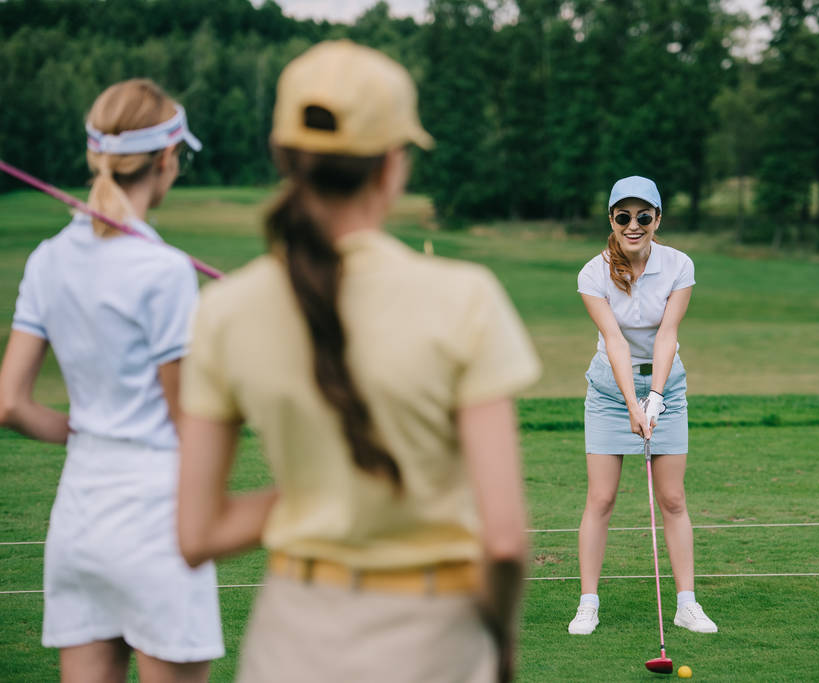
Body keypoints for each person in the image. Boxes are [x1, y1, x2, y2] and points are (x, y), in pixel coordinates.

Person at [175, 41, 541, 683]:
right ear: (392, 166)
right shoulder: (466, 298)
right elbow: (505, 541)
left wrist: (318, 494)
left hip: (290, 639)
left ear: (284, 157)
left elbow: (197, 534)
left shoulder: (223, 311)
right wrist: (502, 647)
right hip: (433, 638)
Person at [0, 79, 222, 680]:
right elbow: (189, 419)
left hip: (80, 519)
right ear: (167, 159)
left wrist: (91, 433)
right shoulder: (167, 271)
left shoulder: (47, 259)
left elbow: (10, 404)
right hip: (156, 519)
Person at [568, 175, 717, 636]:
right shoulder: (593, 274)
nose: (634, 225)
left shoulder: (678, 265)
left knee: (672, 499)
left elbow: (667, 334)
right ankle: (587, 603)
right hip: (610, 395)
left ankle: (686, 604)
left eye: (643, 216)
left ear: (658, 219)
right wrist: (633, 403)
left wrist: (654, 399)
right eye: (623, 216)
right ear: (611, 219)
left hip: (666, 391)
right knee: (602, 497)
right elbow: (614, 341)